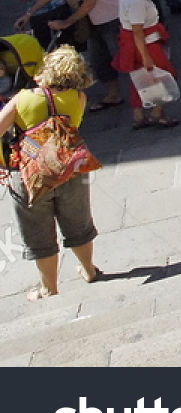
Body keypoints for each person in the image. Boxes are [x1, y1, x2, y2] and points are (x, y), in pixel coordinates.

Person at [0, 46, 104, 301]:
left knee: (38, 233)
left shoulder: (22, 99)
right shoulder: (79, 98)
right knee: (78, 222)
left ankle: (49, 288)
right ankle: (89, 270)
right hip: (70, 170)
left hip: (29, 175)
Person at [17, 0, 122, 111]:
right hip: (94, 23)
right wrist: (29, 13)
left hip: (113, 21)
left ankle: (147, 96)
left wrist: (66, 23)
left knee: (127, 59)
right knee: (99, 62)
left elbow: (89, 3)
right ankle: (114, 95)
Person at [114, 0, 181, 130]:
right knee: (166, 75)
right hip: (146, 45)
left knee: (139, 80)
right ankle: (157, 113)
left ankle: (138, 116)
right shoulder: (137, 1)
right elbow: (138, 31)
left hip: (135, 44)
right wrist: (146, 57)